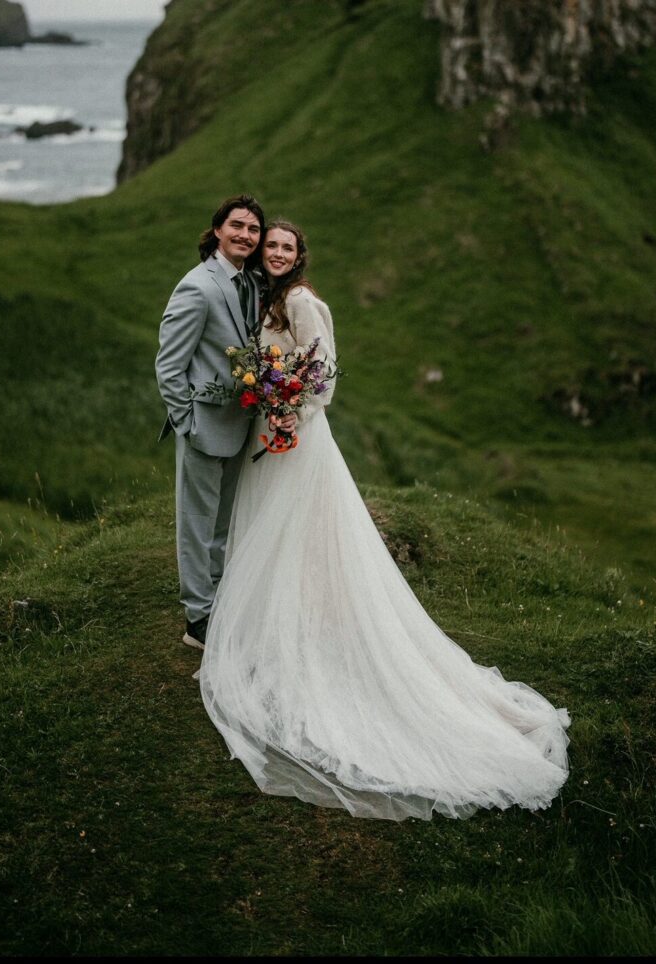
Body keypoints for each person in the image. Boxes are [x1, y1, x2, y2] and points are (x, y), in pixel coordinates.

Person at [197, 219, 571, 822]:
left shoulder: (301, 302)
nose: (277, 253)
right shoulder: (265, 299)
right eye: (271, 246)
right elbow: (268, 365)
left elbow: (323, 375)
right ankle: (279, 625)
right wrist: (268, 398)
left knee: (303, 534)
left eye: (287, 247)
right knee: (275, 536)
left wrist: (292, 408)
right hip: (269, 433)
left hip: (299, 439)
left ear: (298, 257)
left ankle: (312, 634)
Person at [156, 194, 296, 650]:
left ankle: (218, 601)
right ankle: (198, 618)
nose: (246, 235)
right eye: (237, 226)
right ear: (217, 230)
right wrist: (187, 422)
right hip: (203, 425)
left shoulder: (251, 283)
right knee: (196, 521)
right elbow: (169, 365)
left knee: (223, 521)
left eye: (253, 230)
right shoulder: (197, 286)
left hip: (241, 422)